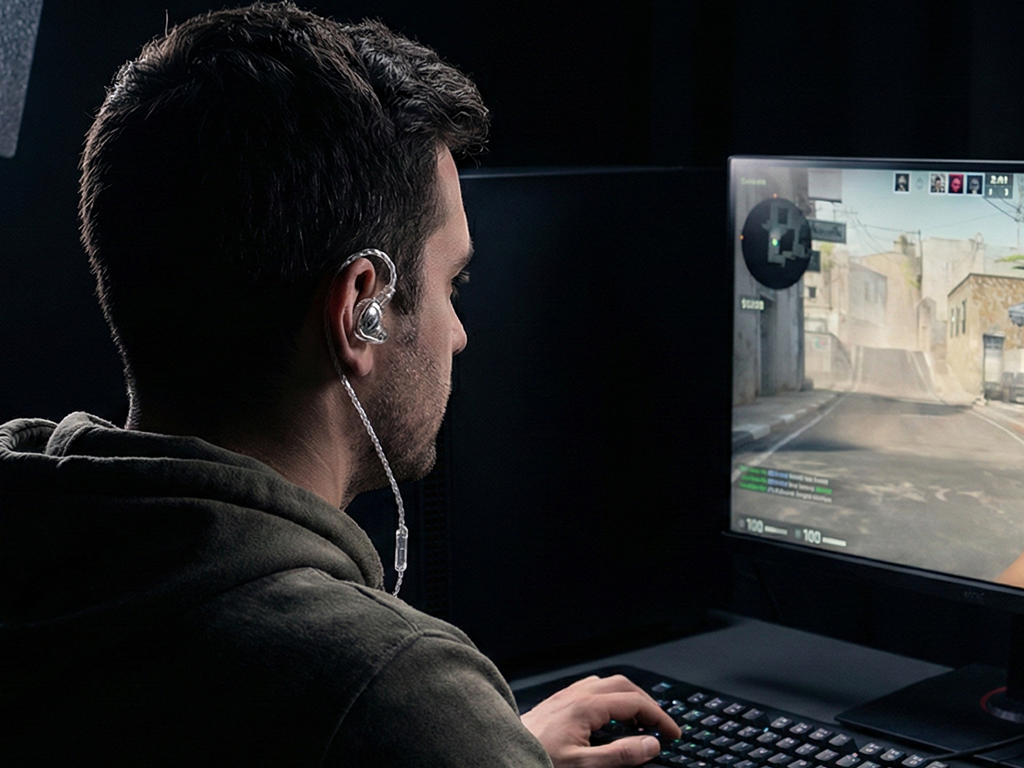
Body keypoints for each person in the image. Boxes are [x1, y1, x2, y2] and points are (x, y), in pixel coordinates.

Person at [0, 2, 679, 766]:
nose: (459, 332)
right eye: (453, 281)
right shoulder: (387, 690)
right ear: (364, 309)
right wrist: (451, 736)